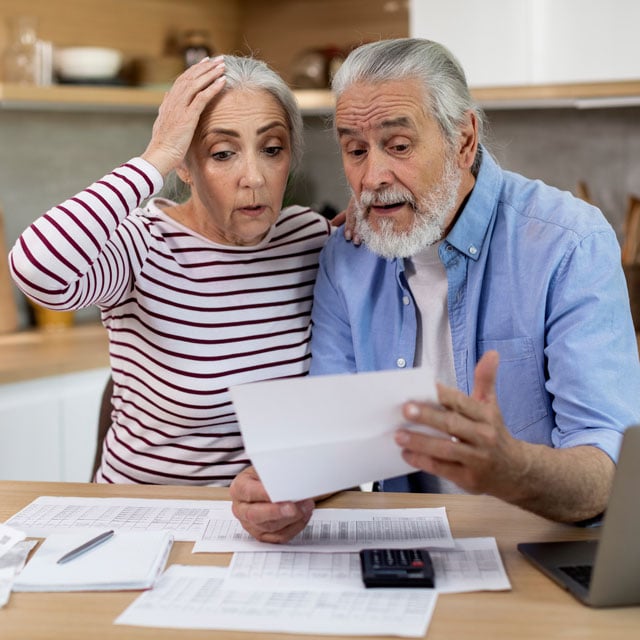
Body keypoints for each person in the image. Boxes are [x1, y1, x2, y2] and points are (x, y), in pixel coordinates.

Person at [229, 38, 640, 543]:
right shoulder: (347, 256)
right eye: (355, 150)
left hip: (538, 548)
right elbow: (328, 447)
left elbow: (610, 471)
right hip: (407, 548)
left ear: (464, 140)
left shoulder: (567, 243)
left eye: (398, 147)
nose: (372, 177)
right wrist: (289, 491)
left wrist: (512, 469)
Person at [9, 54, 334, 485]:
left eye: (272, 149)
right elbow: (36, 269)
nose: (254, 177)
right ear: (185, 165)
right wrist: (155, 158)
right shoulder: (142, 245)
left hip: (264, 521)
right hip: (142, 517)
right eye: (222, 153)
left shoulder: (308, 238)